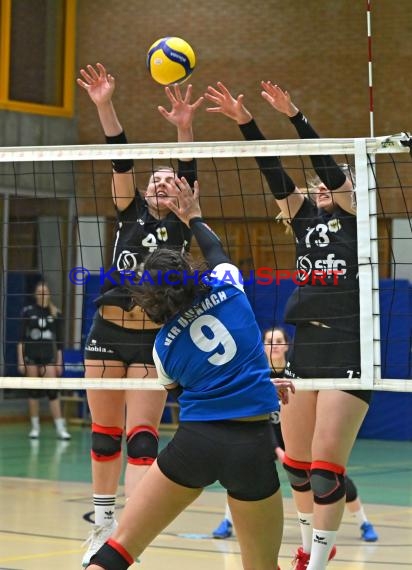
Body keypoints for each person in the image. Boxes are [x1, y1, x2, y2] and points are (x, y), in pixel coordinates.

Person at [85, 176, 294, 570]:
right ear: (189, 268)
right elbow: (215, 250)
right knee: (262, 565)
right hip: (252, 446)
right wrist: (194, 216)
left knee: (121, 548)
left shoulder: (162, 347)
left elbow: (189, 388)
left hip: (195, 444)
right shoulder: (230, 290)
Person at [204, 82, 373, 569]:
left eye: (334, 182)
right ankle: (308, 545)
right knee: (297, 466)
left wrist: (295, 114)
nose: (322, 186)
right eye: (320, 184)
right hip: (307, 346)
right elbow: (273, 172)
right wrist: (246, 122)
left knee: (324, 469)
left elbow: (328, 169)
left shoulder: (360, 217)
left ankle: (314, 563)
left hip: (348, 348)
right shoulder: (301, 219)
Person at [76, 62, 203, 566]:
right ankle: (102, 524)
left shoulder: (185, 224)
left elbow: (189, 170)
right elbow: (120, 158)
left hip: (155, 341)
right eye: (155, 179)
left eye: (170, 181)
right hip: (108, 331)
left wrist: (185, 128)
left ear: (180, 193)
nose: (161, 184)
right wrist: (105, 104)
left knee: (143, 438)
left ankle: (128, 534)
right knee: (105, 436)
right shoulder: (127, 210)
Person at [213, 327, 378, 543]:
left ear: (288, 345)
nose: (275, 345)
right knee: (244, 472)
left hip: (302, 434)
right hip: (268, 437)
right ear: (262, 345)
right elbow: (255, 416)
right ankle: (228, 521)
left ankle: (363, 522)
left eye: (279, 340)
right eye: (270, 341)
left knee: (328, 477)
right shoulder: (258, 374)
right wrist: (276, 449)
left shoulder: (301, 370)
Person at [17, 281, 71, 441]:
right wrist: (21, 361)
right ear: (35, 294)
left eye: (45, 291)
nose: (42, 293)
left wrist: (59, 362)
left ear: (48, 294)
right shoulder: (28, 312)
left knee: (53, 392)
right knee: (33, 392)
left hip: (48, 357)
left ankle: (61, 428)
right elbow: (21, 340)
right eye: (39, 291)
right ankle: (35, 428)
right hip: (31, 356)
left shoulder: (55, 313)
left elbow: (60, 342)